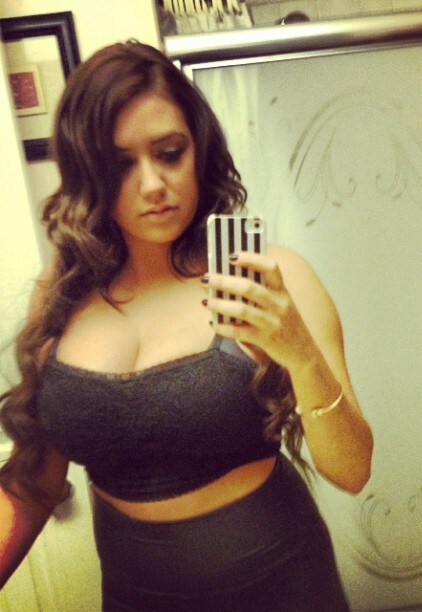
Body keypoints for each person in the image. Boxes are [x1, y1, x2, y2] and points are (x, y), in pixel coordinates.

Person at [0, 41, 373, 610]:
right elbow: (36, 482)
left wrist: (300, 353)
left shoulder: (270, 279)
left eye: (169, 153)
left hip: (284, 588)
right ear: (89, 173)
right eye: (121, 164)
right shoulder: (62, 293)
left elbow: (352, 469)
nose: (152, 183)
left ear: (199, 151)